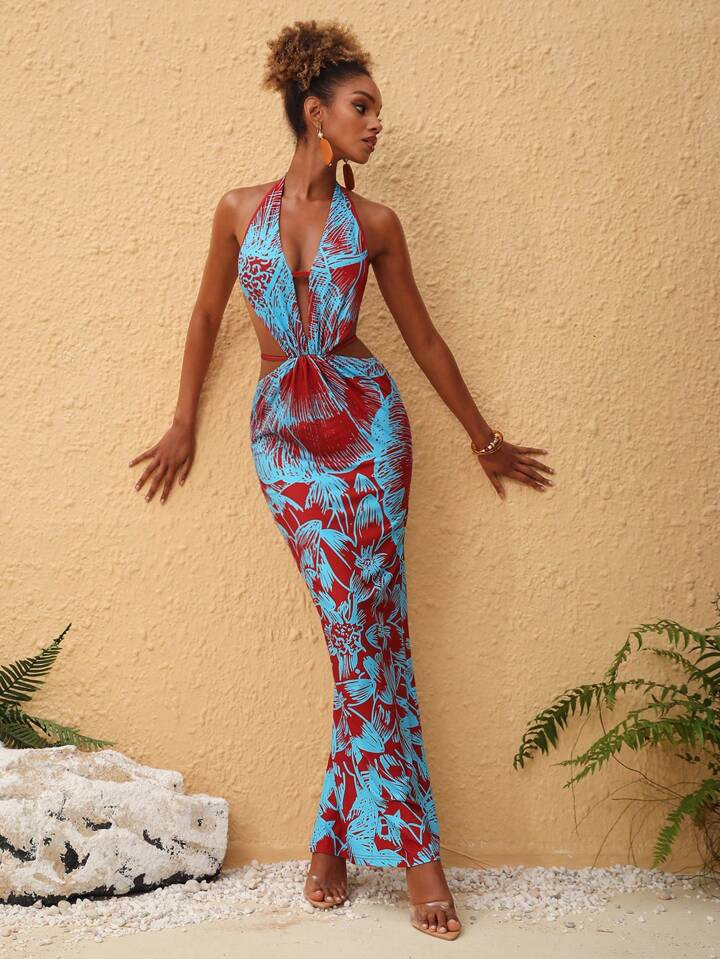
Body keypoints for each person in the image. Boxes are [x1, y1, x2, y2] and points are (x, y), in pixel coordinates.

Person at [129, 18, 554, 943]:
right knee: (359, 634)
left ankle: (392, 849)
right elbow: (206, 314)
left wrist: (483, 437)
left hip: (369, 431)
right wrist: (183, 420)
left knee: (369, 634)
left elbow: (424, 337)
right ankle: (349, 838)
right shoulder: (237, 210)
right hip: (284, 441)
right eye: (362, 107)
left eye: (377, 110)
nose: (376, 123)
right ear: (315, 112)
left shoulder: (377, 226)